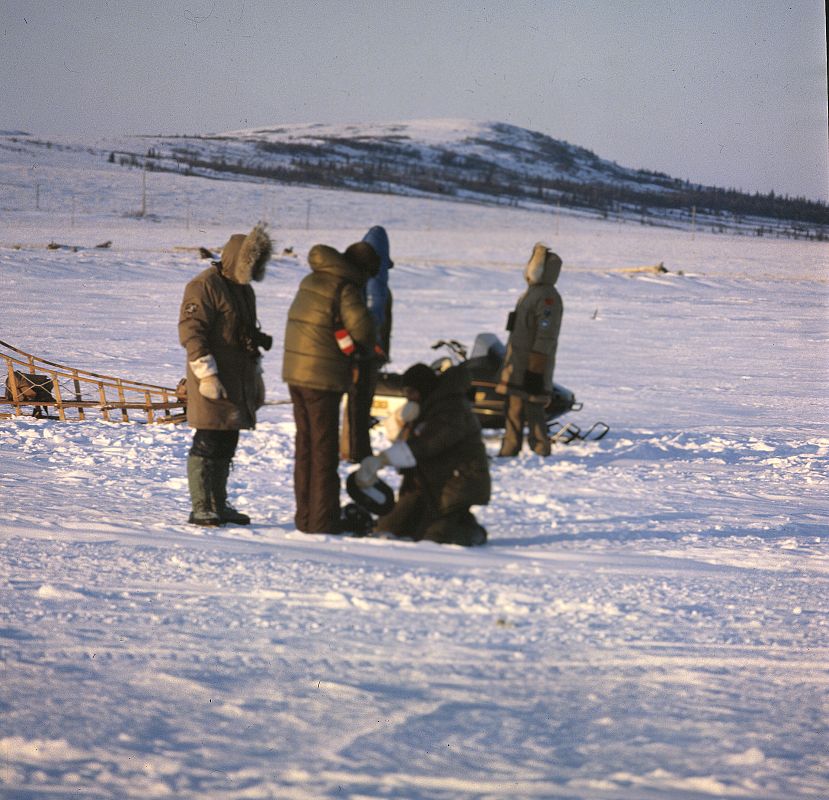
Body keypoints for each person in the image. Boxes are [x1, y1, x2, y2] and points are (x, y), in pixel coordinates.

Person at [179, 222, 273, 526]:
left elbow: (242, 329)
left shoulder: (243, 290)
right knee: (208, 437)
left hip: (238, 377)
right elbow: (192, 331)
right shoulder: (204, 285)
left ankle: (219, 503)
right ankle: (202, 505)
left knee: (228, 439)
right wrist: (206, 374)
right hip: (214, 376)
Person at [282, 240, 379, 533]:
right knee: (324, 449)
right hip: (322, 378)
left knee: (305, 447)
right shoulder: (344, 287)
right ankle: (323, 521)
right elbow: (363, 328)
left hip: (296, 374)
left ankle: (306, 518)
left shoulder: (312, 278)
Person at [356, 362, 490, 546]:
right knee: (390, 529)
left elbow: (428, 445)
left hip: (458, 481)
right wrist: (400, 422)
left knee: (434, 539)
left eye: (412, 392)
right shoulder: (427, 407)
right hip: (429, 483)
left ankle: (470, 531)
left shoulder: (452, 408)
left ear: (424, 389)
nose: (409, 397)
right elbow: (407, 444)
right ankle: (455, 519)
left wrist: (383, 459)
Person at [496, 242, 564, 457]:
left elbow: (546, 335)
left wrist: (536, 369)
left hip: (531, 364)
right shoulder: (531, 293)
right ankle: (510, 448)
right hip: (516, 361)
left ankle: (540, 448)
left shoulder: (548, 297)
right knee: (513, 407)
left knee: (533, 408)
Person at [341, 225, 394, 463]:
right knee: (358, 404)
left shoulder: (358, 283)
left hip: (365, 352)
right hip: (363, 353)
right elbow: (370, 319)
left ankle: (353, 449)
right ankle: (354, 451)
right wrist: (374, 346)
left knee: (359, 404)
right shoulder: (366, 286)